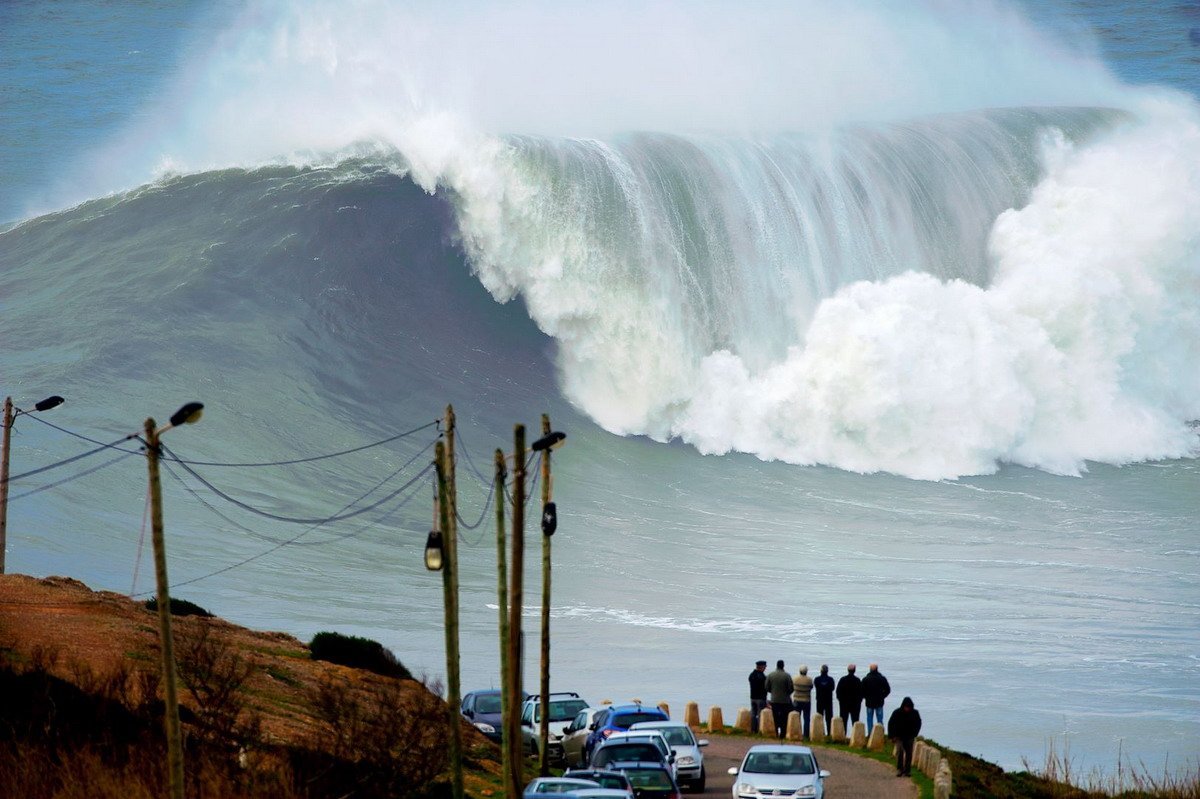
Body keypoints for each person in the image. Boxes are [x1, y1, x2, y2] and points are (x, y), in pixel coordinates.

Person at [887, 696, 922, 776]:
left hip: (909, 736)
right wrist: (892, 736)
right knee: (900, 752)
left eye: (908, 707)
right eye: (906, 707)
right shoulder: (897, 713)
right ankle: (900, 769)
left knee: (909, 753)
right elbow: (891, 724)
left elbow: (918, 724)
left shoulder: (915, 713)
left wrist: (915, 734)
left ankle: (907, 770)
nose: (907, 709)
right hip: (898, 737)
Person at [765, 659, 794, 739]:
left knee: (775, 717)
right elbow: (791, 688)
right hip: (785, 701)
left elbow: (767, 687)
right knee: (784, 718)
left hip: (774, 700)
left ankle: (776, 732)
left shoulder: (771, 675)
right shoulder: (787, 676)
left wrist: (773, 692)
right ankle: (783, 734)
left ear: (776, 665)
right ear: (783, 666)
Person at [861, 663, 891, 736]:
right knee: (880, 719)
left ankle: (870, 734)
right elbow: (888, 689)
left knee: (869, 719)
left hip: (869, 702)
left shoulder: (866, 679)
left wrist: (866, 697)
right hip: (879, 702)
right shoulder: (882, 679)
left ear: (870, 670)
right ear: (877, 669)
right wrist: (883, 696)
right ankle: (880, 734)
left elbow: (861, 690)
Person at [836, 663, 862, 729]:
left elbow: (838, 691)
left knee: (843, 721)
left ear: (848, 670)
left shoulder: (843, 680)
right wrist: (859, 701)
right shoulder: (857, 680)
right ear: (854, 670)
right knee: (855, 721)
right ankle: (855, 735)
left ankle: (843, 735)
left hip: (844, 704)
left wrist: (840, 700)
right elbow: (861, 692)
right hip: (855, 704)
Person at [792, 664, 813, 740]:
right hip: (806, 700)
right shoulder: (809, 680)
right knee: (807, 718)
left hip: (797, 700)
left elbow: (792, 687)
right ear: (806, 672)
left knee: (797, 718)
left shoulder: (795, 679)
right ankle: (806, 735)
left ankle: (797, 733)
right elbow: (811, 687)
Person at [814, 664, 835, 733]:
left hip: (820, 700)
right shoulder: (831, 680)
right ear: (827, 671)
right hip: (828, 700)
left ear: (821, 671)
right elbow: (832, 688)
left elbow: (816, 686)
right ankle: (829, 732)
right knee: (829, 717)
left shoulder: (817, 679)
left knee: (819, 717)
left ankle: (820, 732)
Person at [748, 660, 768, 734]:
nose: (765, 668)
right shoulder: (762, 677)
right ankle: (759, 730)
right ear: (761, 667)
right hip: (760, 698)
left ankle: (753, 729)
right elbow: (765, 688)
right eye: (765, 666)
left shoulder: (751, 675)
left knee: (753, 714)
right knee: (760, 714)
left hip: (752, 697)